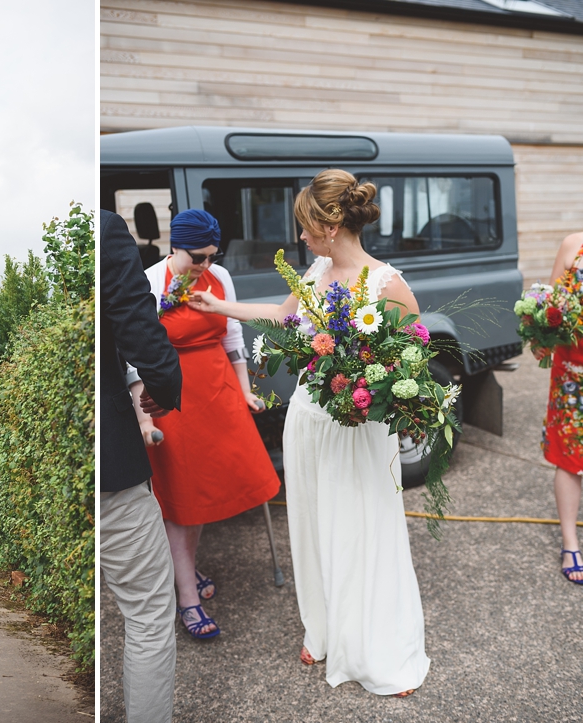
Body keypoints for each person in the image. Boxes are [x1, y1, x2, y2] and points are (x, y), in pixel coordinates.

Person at [189, 170, 429, 697]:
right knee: (316, 527)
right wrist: (219, 307)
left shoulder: (387, 283)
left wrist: (373, 385)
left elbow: (415, 367)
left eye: (305, 226)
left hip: (357, 429)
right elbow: (281, 316)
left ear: (331, 223)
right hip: (308, 419)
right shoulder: (317, 268)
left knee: (362, 529)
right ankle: (322, 629)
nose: (300, 237)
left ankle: (379, 650)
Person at [128, 208, 281, 640]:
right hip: (172, 398)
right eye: (198, 256)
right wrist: (144, 416)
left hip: (218, 390)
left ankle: (186, 572)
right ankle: (187, 599)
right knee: (182, 500)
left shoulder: (220, 278)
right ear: (176, 244)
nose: (206, 265)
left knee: (216, 486)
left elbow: (233, 339)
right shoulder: (150, 280)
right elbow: (134, 358)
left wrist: (246, 389)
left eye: (212, 256)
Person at [100, 210, 184, 723]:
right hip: (111, 469)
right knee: (150, 614)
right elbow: (138, 328)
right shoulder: (104, 229)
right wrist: (164, 387)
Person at [535, 231, 583, 584]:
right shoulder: (573, 245)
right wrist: (540, 338)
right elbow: (550, 309)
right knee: (570, 456)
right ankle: (570, 543)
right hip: (573, 371)